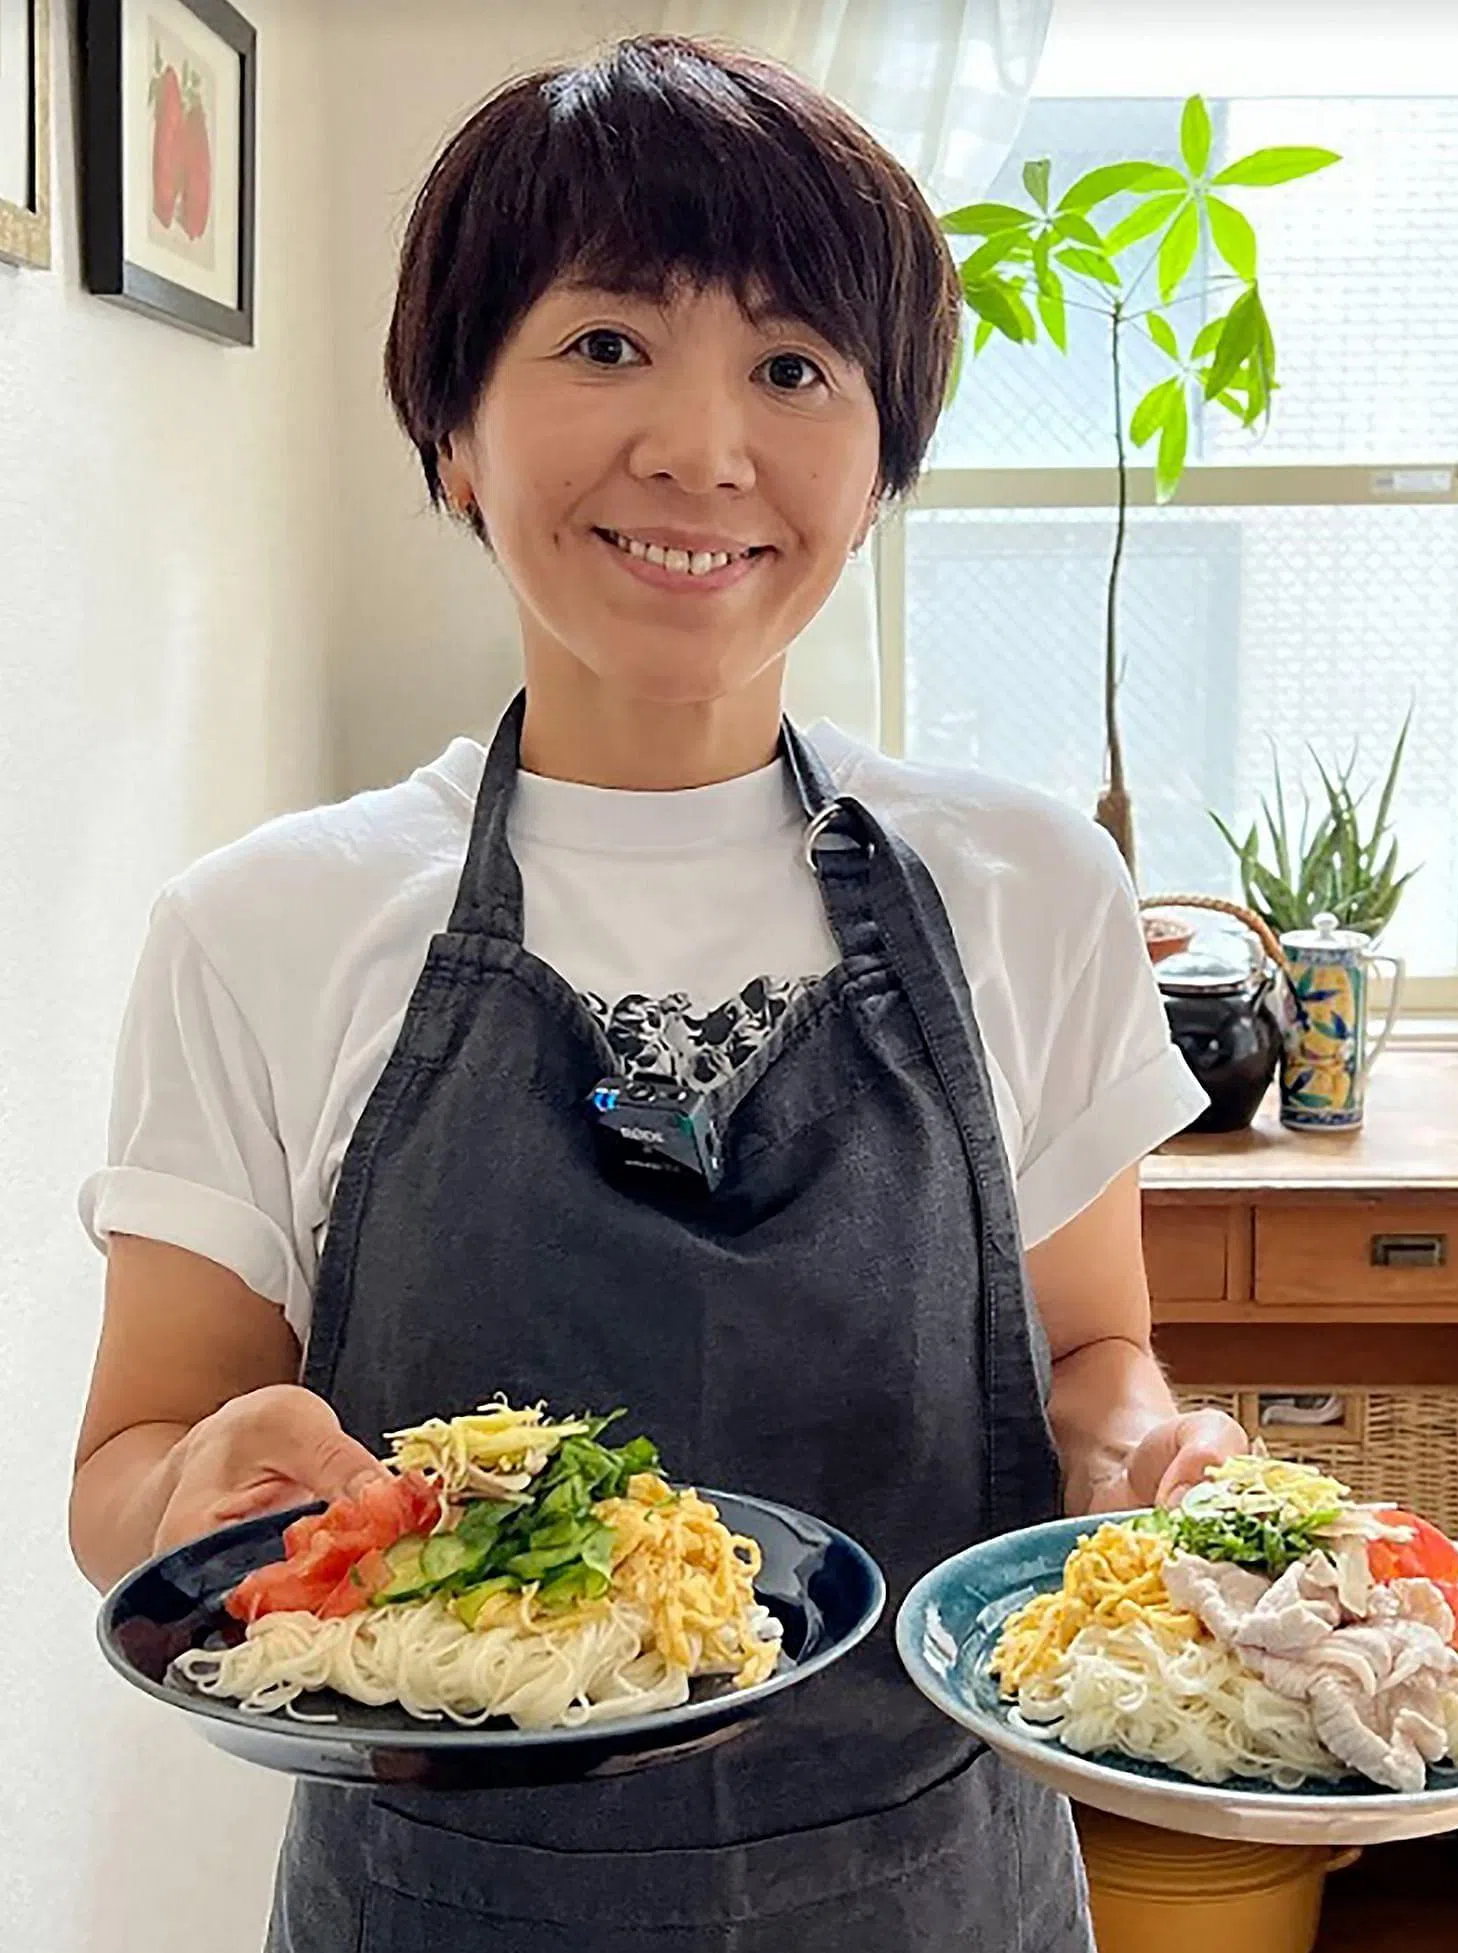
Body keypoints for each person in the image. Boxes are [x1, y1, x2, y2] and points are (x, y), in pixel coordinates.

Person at [68, 34, 1243, 1953]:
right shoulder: (262, 924)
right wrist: (195, 1487)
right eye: (607, 343)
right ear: (452, 429)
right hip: (435, 1905)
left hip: (938, 1891)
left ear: (877, 472)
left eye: (794, 369)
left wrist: (1150, 1462)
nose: (704, 448)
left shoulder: (1031, 884)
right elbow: (129, 1474)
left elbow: (1090, 1356)